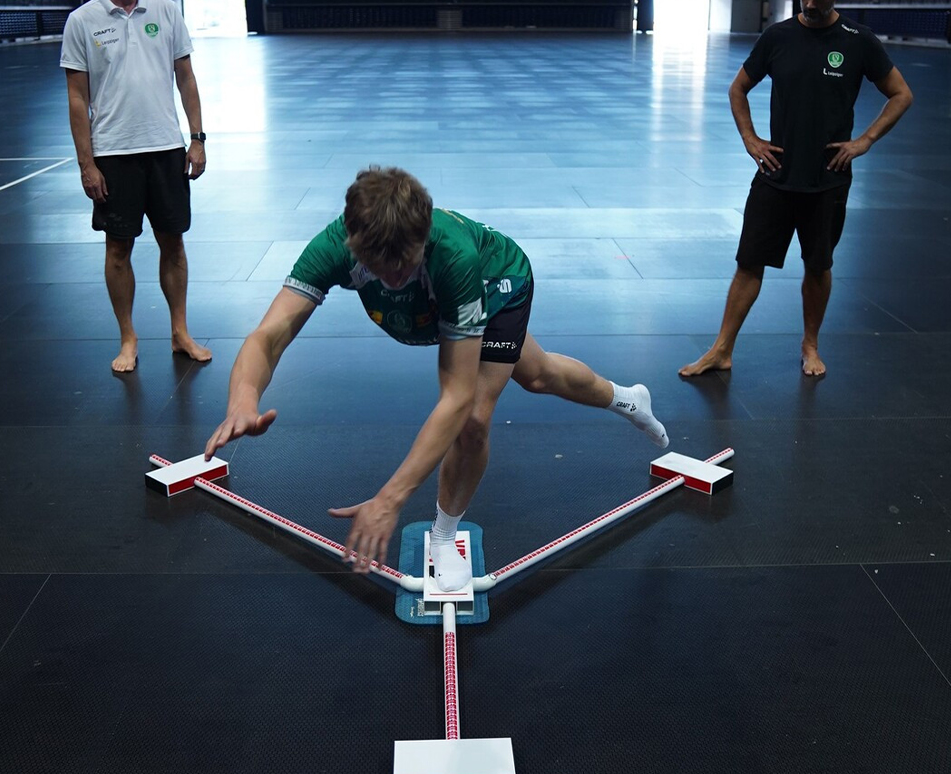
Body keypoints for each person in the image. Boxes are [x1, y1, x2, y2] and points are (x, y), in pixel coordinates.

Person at [203, 166, 670, 590]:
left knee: (473, 421)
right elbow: (269, 335)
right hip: (434, 312)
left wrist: (390, 498)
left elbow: (457, 398)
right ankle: (629, 399)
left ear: (424, 239)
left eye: (404, 265)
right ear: (352, 240)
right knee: (540, 374)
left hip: (497, 285)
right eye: (379, 268)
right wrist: (244, 397)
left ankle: (444, 536)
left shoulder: (455, 260)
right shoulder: (332, 247)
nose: (392, 278)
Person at [680, 0, 914, 379]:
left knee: (818, 266)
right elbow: (738, 89)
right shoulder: (778, 37)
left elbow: (901, 93)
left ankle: (810, 346)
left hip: (828, 179)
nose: (810, 3)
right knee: (748, 262)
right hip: (775, 175)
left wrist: (864, 140)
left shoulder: (858, 41)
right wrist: (751, 140)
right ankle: (721, 350)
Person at [61, 0, 212, 372]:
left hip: (166, 149)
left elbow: (186, 78)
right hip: (113, 153)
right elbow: (76, 98)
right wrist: (86, 164)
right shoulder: (83, 21)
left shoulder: (165, 12)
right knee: (117, 250)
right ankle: (128, 338)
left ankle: (180, 332)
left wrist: (197, 139)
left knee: (174, 244)